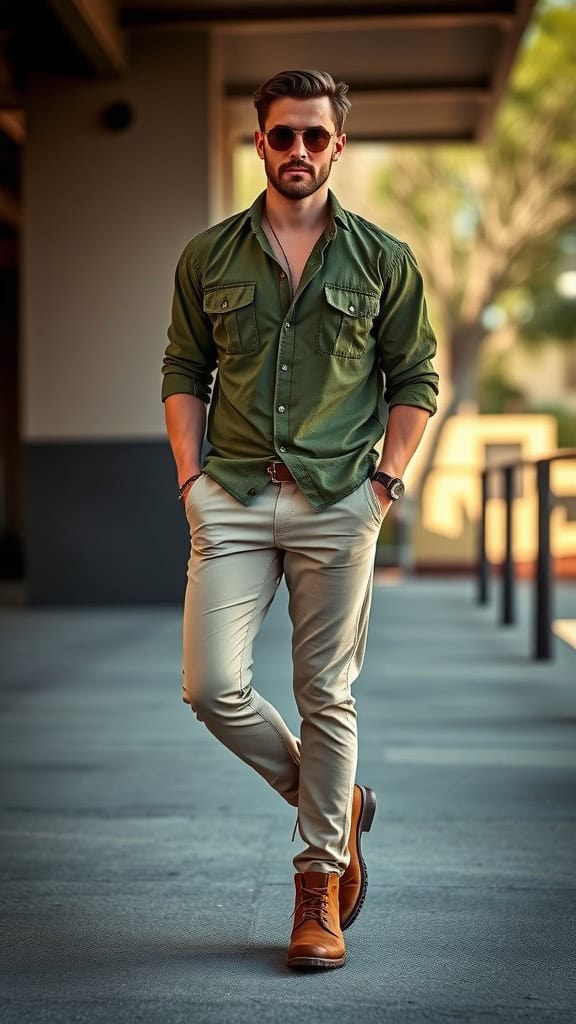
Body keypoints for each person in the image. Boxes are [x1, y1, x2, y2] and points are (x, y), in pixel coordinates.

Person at [161, 69, 438, 971]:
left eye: (315, 137)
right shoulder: (208, 256)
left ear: (338, 147)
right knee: (211, 686)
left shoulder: (383, 260)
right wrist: (189, 478)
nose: (299, 152)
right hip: (233, 496)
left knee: (328, 694)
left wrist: (384, 484)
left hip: (337, 502)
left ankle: (317, 882)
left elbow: (417, 381)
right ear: (260, 143)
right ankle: (339, 800)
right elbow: (183, 369)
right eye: (283, 136)